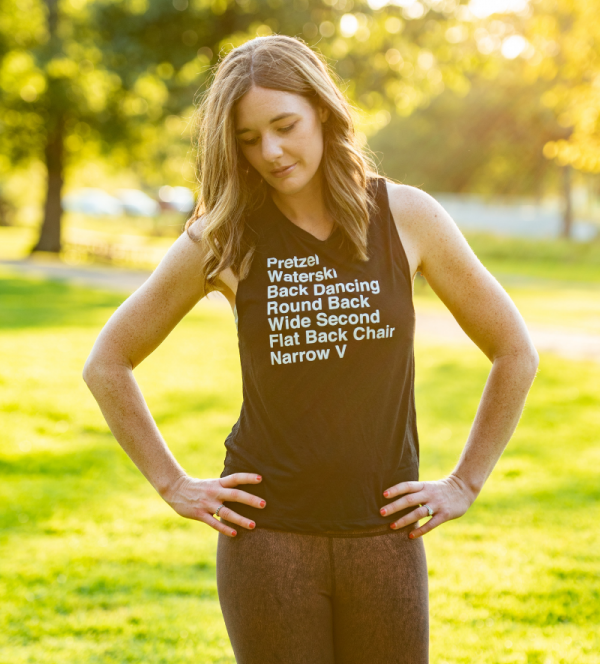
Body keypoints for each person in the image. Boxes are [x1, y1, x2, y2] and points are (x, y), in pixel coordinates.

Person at [83, 34, 539, 664]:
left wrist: (465, 482)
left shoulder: (407, 217)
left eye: (284, 125)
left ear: (322, 110)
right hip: (267, 540)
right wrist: (173, 484)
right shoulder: (225, 236)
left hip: (385, 532)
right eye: (247, 138)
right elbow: (108, 362)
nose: (270, 151)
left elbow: (514, 349)